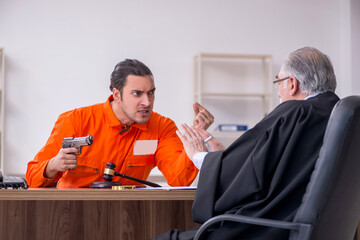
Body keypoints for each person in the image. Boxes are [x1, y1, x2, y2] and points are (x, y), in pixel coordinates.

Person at [153, 46, 340, 240]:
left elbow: (243, 178)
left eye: (279, 82)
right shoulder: (339, 115)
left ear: (292, 84)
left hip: (261, 229)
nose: (278, 94)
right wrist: (225, 156)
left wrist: (199, 156)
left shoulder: (294, 112)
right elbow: (269, 169)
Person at [26, 59, 214, 188]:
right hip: (73, 216)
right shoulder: (76, 121)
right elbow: (32, 177)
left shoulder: (162, 127)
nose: (147, 102)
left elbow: (178, 180)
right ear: (117, 94)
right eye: (137, 93)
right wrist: (53, 165)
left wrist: (195, 140)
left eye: (151, 92)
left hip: (129, 217)